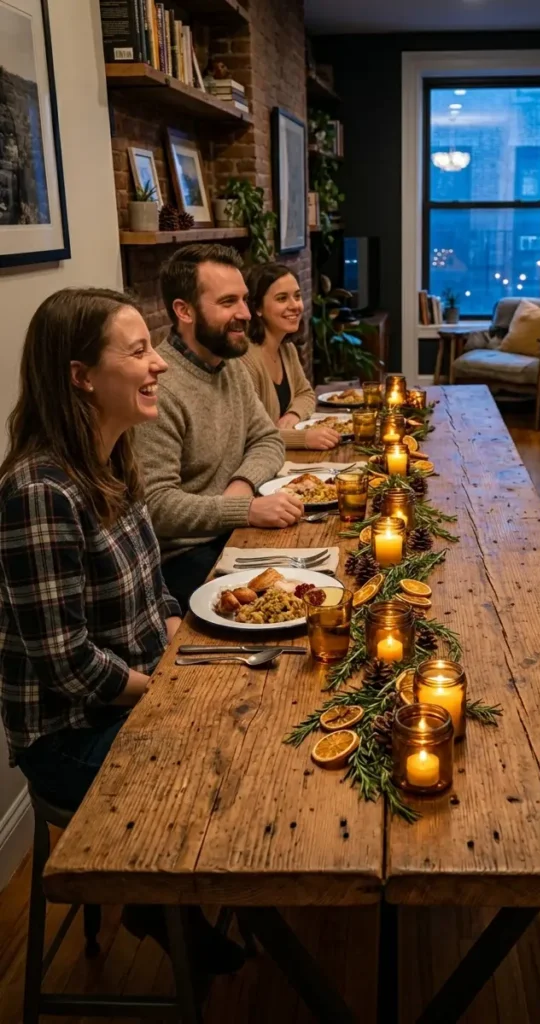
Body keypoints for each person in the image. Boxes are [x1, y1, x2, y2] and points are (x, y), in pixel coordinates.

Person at [0, 288, 243, 973]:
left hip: (132, 690)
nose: (158, 363)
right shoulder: (39, 493)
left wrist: (174, 626)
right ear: (81, 376)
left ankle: (191, 889)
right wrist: (166, 691)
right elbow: (67, 666)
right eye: (138, 351)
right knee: (237, 765)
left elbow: (152, 586)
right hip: (71, 733)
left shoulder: (112, 457)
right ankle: (160, 890)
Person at [139, 244, 302, 613]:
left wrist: (241, 487)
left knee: (323, 574)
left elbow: (268, 438)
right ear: (184, 310)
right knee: (293, 606)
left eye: (244, 300)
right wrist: (244, 510)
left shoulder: (229, 366)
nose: (245, 314)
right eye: (228, 302)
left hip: (235, 533)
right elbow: (156, 506)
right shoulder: (159, 386)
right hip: (183, 559)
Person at [242, 262, 341, 450]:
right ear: (257, 308)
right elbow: (249, 433)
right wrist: (302, 439)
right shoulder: (245, 359)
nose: (295, 306)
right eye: (281, 299)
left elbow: (306, 394)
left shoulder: (287, 349)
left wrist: (293, 415)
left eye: (297, 296)